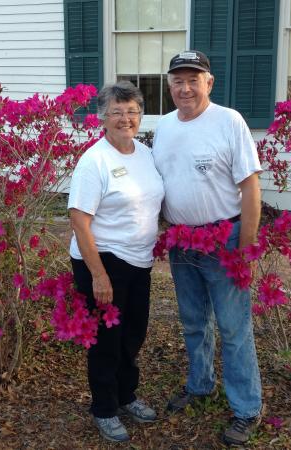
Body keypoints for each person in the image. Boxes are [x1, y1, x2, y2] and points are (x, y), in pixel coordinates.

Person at [153, 50, 263, 446]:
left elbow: (250, 187)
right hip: (182, 241)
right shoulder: (163, 127)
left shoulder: (229, 121)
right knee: (194, 321)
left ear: (209, 83)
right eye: (178, 81)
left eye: (193, 80)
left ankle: (246, 408)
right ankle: (200, 385)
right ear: (169, 86)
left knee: (234, 328)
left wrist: (245, 250)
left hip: (226, 239)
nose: (185, 88)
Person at [68, 81, 165, 443]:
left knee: (133, 334)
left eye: (132, 111)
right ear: (102, 118)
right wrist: (98, 276)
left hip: (139, 260)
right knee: (106, 340)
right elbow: (79, 220)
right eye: (117, 112)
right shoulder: (94, 161)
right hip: (103, 260)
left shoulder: (144, 153)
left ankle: (126, 396)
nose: (126, 118)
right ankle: (105, 409)